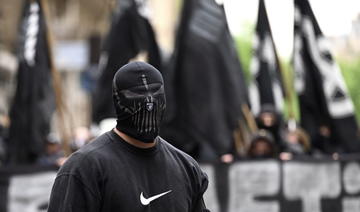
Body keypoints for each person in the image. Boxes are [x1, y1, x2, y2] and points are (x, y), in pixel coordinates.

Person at [47, 61, 209, 212]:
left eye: (155, 92)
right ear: (117, 100)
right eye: (137, 94)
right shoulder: (84, 169)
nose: (149, 103)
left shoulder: (187, 169)